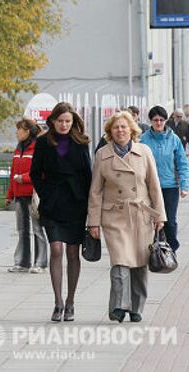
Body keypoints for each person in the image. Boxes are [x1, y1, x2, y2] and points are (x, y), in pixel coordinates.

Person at [88, 111, 166, 323]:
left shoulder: (144, 151)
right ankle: (119, 306)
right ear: (110, 132)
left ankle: (137, 308)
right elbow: (95, 191)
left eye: (124, 127)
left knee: (140, 263)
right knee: (120, 261)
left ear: (132, 130)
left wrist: (160, 215)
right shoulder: (102, 154)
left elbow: (154, 185)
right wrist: (93, 222)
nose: (120, 131)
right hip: (114, 215)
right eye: (116, 127)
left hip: (141, 214)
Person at [30, 102, 92, 322]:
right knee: (56, 248)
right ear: (53, 121)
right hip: (52, 204)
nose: (64, 125)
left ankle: (70, 301)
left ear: (73, 121)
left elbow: (88, 175)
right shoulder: (43, 143)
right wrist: (46, 193)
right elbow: (35, 173)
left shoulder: (81, 143)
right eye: (60, 121)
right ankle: (57, 302)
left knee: (73, 253)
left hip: (76, 203)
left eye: (68, 121)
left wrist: (89, 205)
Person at [140, 106, 189, 252]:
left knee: (169, 221)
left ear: (165, 120)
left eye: (161, 120)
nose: (159, 123)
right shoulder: (143, 140)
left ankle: (171, 249)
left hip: (169, 186)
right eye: (155, 120)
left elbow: (182, 163)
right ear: (151, 121)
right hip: (149, 187)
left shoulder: (173, 139)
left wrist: (184, 185)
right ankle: (153, 248)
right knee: (150, 220)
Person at [5, 117, 48, 274]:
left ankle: (41, 263)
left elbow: (42, 173)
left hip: (33, 195)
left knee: (37, 229)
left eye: (19, 129)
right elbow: (12, 173)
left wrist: (23, 178)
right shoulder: (19, 148)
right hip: (19, 196)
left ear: (27, 131)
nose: (16, 132)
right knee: (22, 230)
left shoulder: (38, 147)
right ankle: (22, 262)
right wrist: (9, 195)